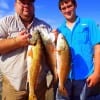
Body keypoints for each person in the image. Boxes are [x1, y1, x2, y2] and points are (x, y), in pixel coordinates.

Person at [0, 0, 52, 100]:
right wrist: (16, 42)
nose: (26, 5)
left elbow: (51, 54)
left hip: (39, 85)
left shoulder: (45, 26)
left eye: (29, 3)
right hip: (13, 87)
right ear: (15, 5)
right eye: (22, 2)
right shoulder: (5, 22)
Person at [54, 0, 100, 100]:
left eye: (69, 6)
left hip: (87, 77)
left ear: (75, 6)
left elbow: (98, 48)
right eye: (63, 8)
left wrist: (97, 73)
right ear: (61, 11)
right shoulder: (59, 30)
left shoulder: (89, 23)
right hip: (65, 78)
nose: (67, 10)